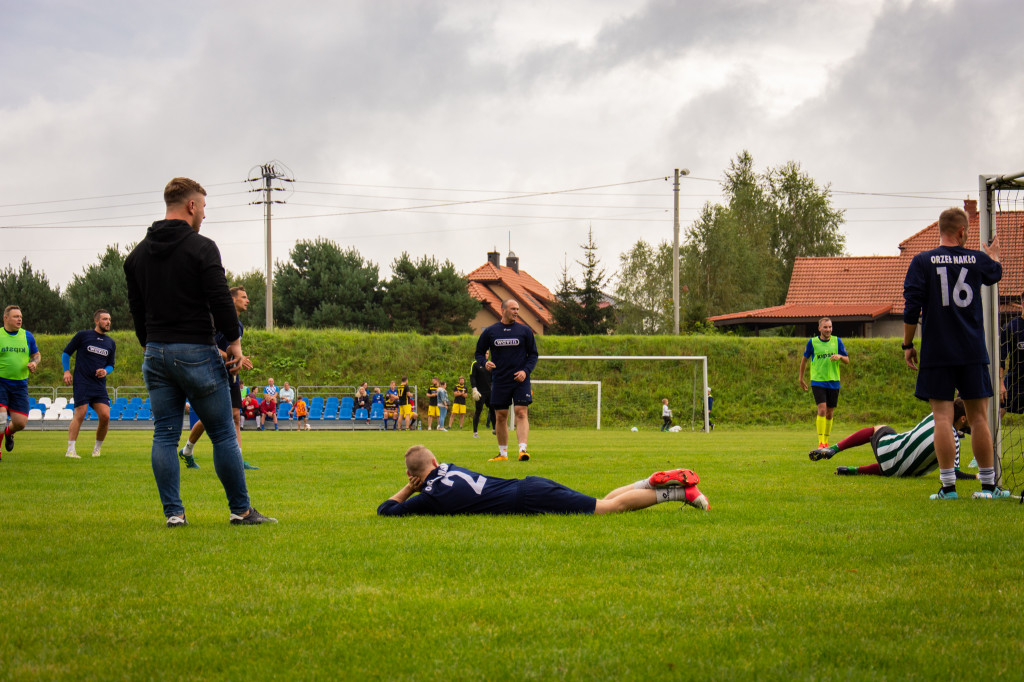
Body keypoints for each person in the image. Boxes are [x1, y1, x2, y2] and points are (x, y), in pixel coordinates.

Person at [124, 176, 275, 526]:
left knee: (164, 433)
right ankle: (241, 510)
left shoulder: (136, 256)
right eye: (203, 207)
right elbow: (220, 298)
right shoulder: (202, 247)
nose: (204, 215)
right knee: (223, 431)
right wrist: (234, 342)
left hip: (156, 352)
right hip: (196, 350)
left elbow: (136, 308)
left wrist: (149, 343)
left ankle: (174, 515)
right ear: (191, 205)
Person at [903, 206, 1009, 500]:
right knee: (978, 419)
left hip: (937, 352)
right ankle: (989, 487)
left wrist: (908, 345)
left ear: (940, 229)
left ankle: (948, 488)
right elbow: (996, 273)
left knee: (942, 418)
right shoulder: (976, 259)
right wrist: (994, 254)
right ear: (962, 232)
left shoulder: (922, 261)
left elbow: (911, 308)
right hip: (971, 349)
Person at [378, 445, 709, 516]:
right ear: (435, 461)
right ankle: (648, 482)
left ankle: (677, 493)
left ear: (413, 474)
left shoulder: (430, 497)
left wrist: (409, 488)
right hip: (532, 483)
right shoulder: (448, 466)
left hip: (530, 500)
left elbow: (385, 511)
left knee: (607, 510)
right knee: (604, 502)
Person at [176, 286, 258, 470]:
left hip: (230, 375)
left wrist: (238, 362)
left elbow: (234, 350)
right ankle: (187, 450)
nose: (248, 300)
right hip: (213, 372)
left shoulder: (239, 326)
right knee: (210, 417)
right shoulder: (217, 321)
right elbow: (208, 346)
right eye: (244, 297)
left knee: (236, 415)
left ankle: (237, 459)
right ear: (233, 300)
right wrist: (233, 357)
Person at [809, 399, 978, 479]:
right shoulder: (953, 442)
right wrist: (975, 477)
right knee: (895, 454)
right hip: (900, 473)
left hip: (890, 455)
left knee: (879, 430)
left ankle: (835, 448)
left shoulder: (936, 415)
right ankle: (854, 470)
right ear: (962, 419)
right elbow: (955, 473)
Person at [475, 299, 539, 461]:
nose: (516, 311)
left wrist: (525, 371)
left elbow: (533, 355)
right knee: (501, 415)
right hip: (500, 379)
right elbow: (479, 353)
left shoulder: (525, 331)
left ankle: (522, 450)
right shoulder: (490, 331)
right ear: (503, 310)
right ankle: (503, 454)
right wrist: (485, 363)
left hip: (520, 379)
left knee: (521, 412)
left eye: (518, 309)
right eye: (513, 309)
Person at [62, 309, 116, 459]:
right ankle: (70, 450)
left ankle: (96, 449)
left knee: (105, 416)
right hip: (82, 382)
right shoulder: (83, 335)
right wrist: (66, 371)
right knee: (81, 413)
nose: (108, 322)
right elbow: (66, 353)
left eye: (109, 319)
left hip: (99, 385)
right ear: (97, 321)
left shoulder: (110, 342)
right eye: (105, 319)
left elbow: (111, 364)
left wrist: (106, 371)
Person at [798, 317, 849, 449]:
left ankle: (826, 441)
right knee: (821, 409)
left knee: (830, 412)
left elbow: (847, 360)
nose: (828, 329)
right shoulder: (812, 342)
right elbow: (804, 360)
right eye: (825, 327)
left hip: (833, 381)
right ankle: (821, 442)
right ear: (819, 328)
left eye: (830, 327)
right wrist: (801, 378)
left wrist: (840, 357)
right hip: (818, 381)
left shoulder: (837, 341)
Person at [0, 305, 41, 459]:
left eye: (20, 317)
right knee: (1, 418)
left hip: (20, 385)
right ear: (6, 318)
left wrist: (34, 362)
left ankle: (8, 433)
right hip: (1, 382)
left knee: (20, 423)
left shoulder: (27, 336)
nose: (19, 319)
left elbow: (36, 354)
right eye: (16, 316)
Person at [470, 351, 494, 439]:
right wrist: (474, 389)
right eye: (484, 353)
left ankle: (495, 429)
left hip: (490, 392)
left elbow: (493, 378)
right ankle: (475, 432)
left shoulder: (491, 365)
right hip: (480, 392)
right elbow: (472, 377)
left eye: (487, 353)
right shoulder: (475, 364)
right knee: (478, 411)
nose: (486, 355)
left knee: (493, 410)